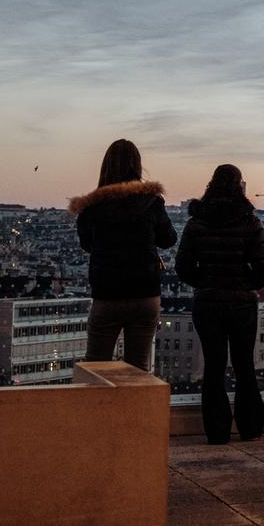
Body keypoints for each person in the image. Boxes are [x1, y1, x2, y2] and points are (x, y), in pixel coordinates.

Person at [176, 164, 264, 444]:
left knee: (214, 367)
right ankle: (250, 427)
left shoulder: (196, 222)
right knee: (244, 365)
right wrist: (246, 284)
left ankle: (217, 431)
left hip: (208, 302)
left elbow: (182, 266)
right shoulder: (250, 220)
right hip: (242, 303)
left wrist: (204, 282)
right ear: (239, 186)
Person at [69, 139, 176, 372]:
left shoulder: (91, 207)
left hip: (108, 294)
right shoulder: (152, 202)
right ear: (137, 166)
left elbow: (87, 245)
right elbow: (169, 239)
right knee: (138, 368)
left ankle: (98, 409)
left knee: (95, 367)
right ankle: (135, 409)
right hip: (145, 293)